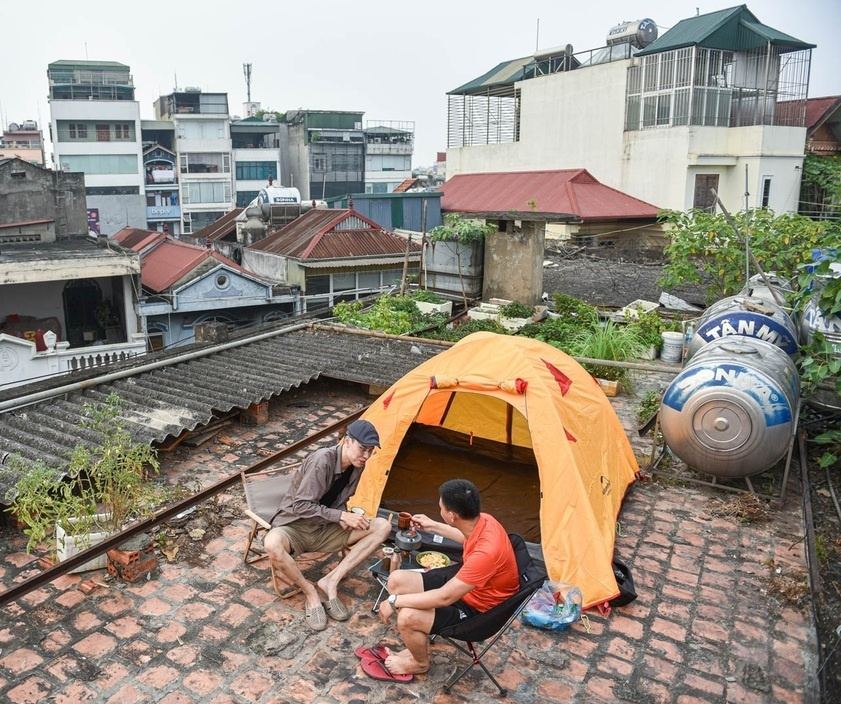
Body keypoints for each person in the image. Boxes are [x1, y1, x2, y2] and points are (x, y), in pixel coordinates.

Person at [377, 478, 519, 675]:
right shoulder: (484, 520)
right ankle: (418, 636)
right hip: (468, 584)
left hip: (479, 611)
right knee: (396, 580)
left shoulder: (486, 554)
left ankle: (419, 662)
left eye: (441, 506)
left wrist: (394, 601)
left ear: (452, 516)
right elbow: (466, 537)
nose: (439, 507)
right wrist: (433, 525)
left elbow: (445, 597)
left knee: (407, 616)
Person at [264, 419, 391, 631]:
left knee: (383, 526)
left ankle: (330, 581)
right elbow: (302, 505)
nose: (366, 456)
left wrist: (346, 516)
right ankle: (310, 593)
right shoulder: (322, 460)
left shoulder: (357, 465)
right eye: (362, 449)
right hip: (296, 527)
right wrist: (341, 516)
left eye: (370, 452)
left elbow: (340, 500)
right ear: (347, 441)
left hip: (325, 528)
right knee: (271, 544)